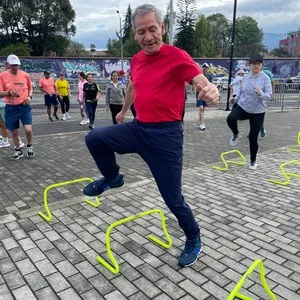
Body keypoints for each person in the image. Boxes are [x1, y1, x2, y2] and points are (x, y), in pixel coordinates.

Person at [83, 4, 220, 267]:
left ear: (163, 28)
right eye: (141, 31)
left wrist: (209, 89)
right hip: (138, 128)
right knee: (94, 139)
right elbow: (133, 86)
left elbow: (198, 78)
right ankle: (113, 179)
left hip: (166, 138)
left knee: (173, 199)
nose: (148, 37)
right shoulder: (136, 60)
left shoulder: (177, 56)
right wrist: (123, 111)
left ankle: (194, 238)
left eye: (153, 29)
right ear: (134, 35)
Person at [227, 54, 272, 170]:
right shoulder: (246, 77)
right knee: (230, 118)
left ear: (261, 65)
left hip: (258, 111)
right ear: (250, 65)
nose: (256, 66)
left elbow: (270, 96)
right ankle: (236, 134)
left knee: (253, 137)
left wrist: (260, 93)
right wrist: (234, 100)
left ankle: (253, 161)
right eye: (254, 64)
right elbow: (241, 92)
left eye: (259, 64)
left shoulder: (265, 78)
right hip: (243, 107)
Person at [0, 54, 35, 160]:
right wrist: (9, 92)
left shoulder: (25, 75)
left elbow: (30, 88)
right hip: (11, 107)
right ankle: (18, 150)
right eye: (13, 65)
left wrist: (29, 97)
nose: (15, 67)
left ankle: (29, 146)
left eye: (17, 65)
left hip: (24, 106)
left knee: (28, 130)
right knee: (14, 132)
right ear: (8, 65)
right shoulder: (2, 76)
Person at [196, 63, 213, 130]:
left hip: (206, 94)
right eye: (203, 67)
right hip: (199, 94)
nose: (204, 68)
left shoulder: (210, 76)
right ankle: (202, 123)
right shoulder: (199, 75)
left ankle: (200, 121)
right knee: (201, 108)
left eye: (206, 67)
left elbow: (211, 84)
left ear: (208, 68)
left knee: (203, 109)